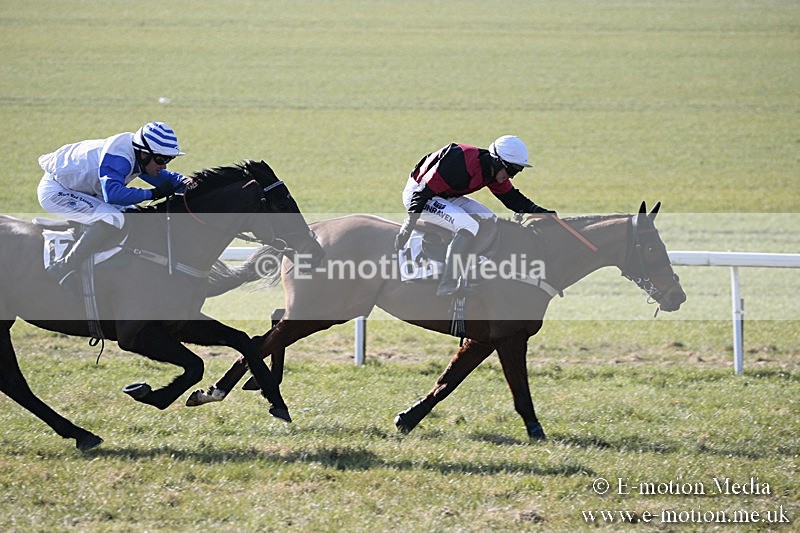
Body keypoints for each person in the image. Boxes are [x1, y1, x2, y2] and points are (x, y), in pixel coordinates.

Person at [394, 135, 556, 296]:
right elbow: (422, 193)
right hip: (420, 195)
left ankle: (467, 267)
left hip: (444, 195)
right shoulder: (459, 161)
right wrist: (409, 225)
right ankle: (448, 283)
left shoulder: (493, 171)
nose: (512, 176)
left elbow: (512, 198)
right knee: (468, 225)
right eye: (512, 170)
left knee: (489, 218)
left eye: (517, 171)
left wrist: (541, 211)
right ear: (497, 161)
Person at [37, 121, 190, 287]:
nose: (164, 165)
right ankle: (64, 267)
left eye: (169, 159)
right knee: (113, 218)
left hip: (84, 189)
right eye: (161, 159)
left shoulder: (138, 156)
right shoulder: (119, 157)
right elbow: (113, 194)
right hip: (57, 190)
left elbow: (163, 178)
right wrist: (152, 193)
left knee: (134, 214)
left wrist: (189, 184)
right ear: (144, 153)